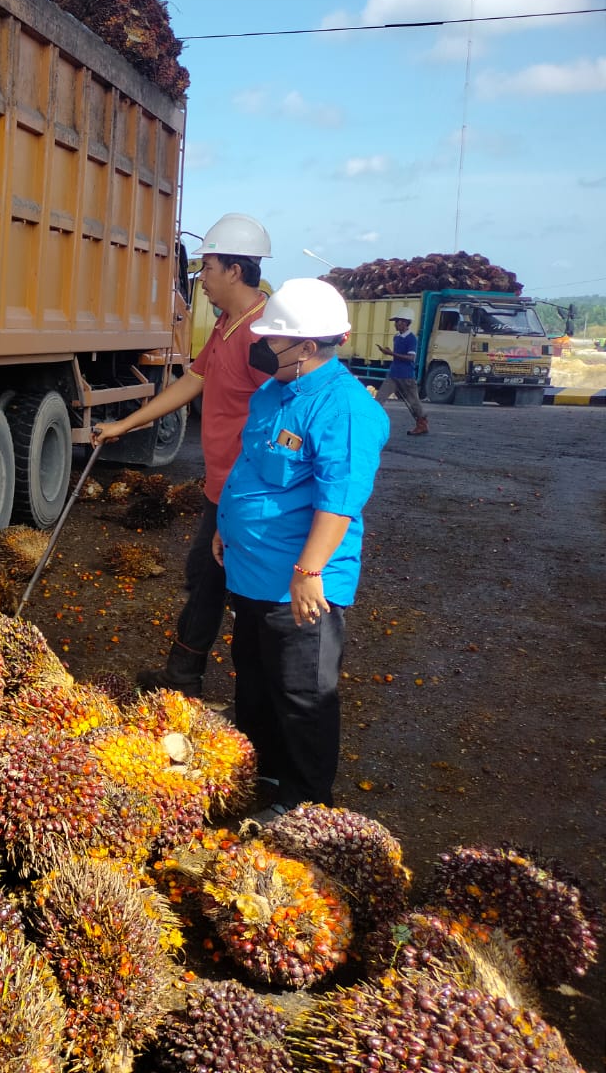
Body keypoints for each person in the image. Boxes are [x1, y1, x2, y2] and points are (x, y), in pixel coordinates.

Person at [213, 278, 389, 818]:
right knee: (256, 685)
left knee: (303, 697)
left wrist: (309, 571)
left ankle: (306, 802)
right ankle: (260, 776)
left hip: (299, 583)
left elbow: (338, 503)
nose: (262, 347)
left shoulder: (346, 409)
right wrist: (227, 525)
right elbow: (251, 467)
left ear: (307, 347)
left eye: (273, 340)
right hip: (250, 571)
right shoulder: (273, 394)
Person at [91, 213, 275, 697]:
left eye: (208, 267)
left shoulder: (264, 335)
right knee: (205, 577)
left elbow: (282, 416)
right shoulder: (225, 324)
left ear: (235, 270)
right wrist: (125, 424)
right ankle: (182, 676)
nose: (202, 279)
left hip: (249, 490)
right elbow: (195, 380)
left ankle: (258, 701)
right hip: (222, 486)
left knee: (248, 595)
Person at [375, 312, 428, 435]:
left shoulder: (411, 339)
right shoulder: (397, 337)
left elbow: (410, 358)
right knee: (379, 398)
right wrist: (390, 352)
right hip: (393, 374)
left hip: (406, 376)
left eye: (397, 321)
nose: (395, 324)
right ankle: (372, 422)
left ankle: (422, 424)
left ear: (405, 322)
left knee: (413, 402)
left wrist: (391, 354)